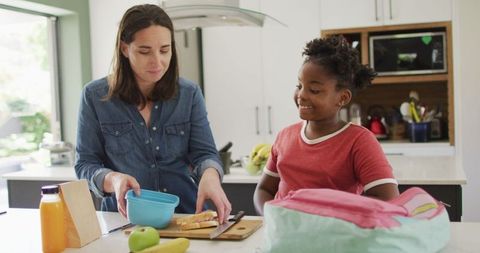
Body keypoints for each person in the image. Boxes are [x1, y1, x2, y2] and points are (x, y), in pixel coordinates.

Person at [75, 4, 231, 222]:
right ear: (124, 49)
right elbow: (85, 164)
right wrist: (114, 179)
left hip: (185, 217)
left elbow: (205, 154)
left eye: (165, 50)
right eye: (144, 51)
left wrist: (210, 176)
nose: (157, 61)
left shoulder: (189, 93)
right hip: (123, 221)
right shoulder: (94, 96)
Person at [253, 35, 399, 215]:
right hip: (284, 237)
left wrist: (328, 215)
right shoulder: (285, 136)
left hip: (333, 238)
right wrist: (270, 217)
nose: (302, 95)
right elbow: (264, 190)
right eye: (299, 85)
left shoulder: (359, 141)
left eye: (314, 90)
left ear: (342, 98)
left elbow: (388, 199)